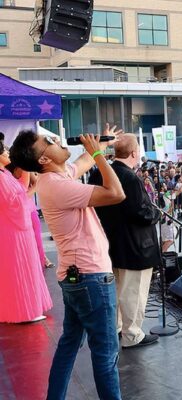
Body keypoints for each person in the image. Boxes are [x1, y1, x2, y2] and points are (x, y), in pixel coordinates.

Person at [10, 129, 125, 399]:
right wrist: (99, 154)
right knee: (106, 353)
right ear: (43, 161)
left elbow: (83, 161)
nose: (57, 140)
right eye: (49, 142)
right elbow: (116, 193)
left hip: (77, 277)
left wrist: (101, 144)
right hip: (91, 277)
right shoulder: (58, 185)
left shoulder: (57, 177)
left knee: (69, 344)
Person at [88, 134, 160, 349]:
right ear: (134, 153)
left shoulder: (99, 173)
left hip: (109, 242)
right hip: (135, 246)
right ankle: (133, 335)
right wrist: (156, 214)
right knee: (133, 293)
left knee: (118, 290)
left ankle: (118, 328)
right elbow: (139, 212)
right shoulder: (130, 178)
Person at [0, 137, 52, 323]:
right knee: (20, 267)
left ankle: (27, 307)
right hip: (14, 231)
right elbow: (15, 203)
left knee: (25, 266)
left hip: (15, 229)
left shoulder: (4, 175)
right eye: (4, 152)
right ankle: (24, 311)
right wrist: (36, 187)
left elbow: (18, 196)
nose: (7, 154)